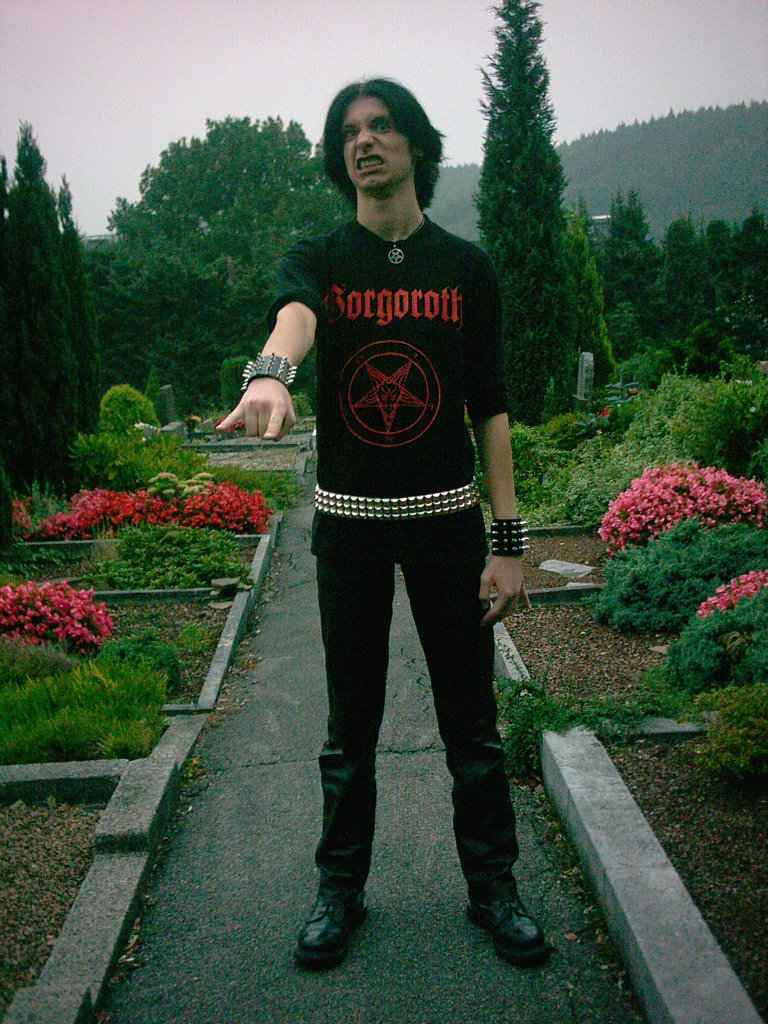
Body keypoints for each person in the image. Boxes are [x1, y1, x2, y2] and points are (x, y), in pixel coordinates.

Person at [218, 78, 550, 971]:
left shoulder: (466, 268)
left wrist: (509, 544)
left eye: (381, 127)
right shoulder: (322, 258)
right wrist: (271, 372)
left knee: (472, 726)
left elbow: (491, 408)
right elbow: (295, 317)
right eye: (349, 133)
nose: (363, 142)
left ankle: (494, 887)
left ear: (416, 146)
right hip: (351, 530)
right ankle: (339, 891)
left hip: (448, 526)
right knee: (349, 730)